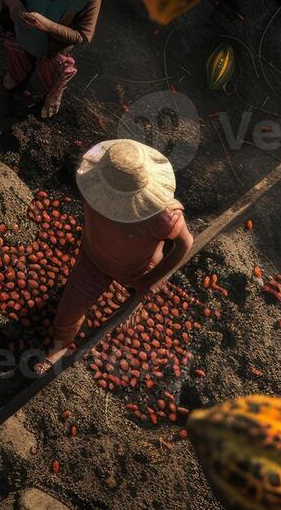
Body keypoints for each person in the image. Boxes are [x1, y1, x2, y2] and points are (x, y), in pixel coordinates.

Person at [38, 139, 193, 374]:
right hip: (93, 259)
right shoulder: (90, 182)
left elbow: (185, 243)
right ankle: (61, 347)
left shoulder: (161, 216)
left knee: (136, 297)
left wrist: (147, 282)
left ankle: (137, 301)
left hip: (138, 269)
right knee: (65, 317)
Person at [0, 0, 105, 118]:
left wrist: (47, 26)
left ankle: (54, 94)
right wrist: (12, 2)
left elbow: (83, 36)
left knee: (57, 69)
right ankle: (17, 72)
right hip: (22, 34)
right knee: (13, 48)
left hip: (52, 48)